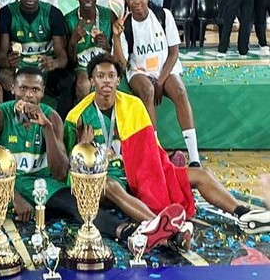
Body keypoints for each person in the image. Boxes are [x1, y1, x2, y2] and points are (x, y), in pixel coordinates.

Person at [0, 66, 181, 254]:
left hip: (43, 185)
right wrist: (12, 196)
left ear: (43, 93)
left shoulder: (52, 117)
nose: (29, 95)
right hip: (4, 184)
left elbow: (60, 172)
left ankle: (132, 233)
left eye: (35, 90)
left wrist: (48, 130)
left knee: (80, 203)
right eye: (24, 89)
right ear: (14, 90)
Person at [66, 53, 270, 237]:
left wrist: (165, 165)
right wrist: (84, 148)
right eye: (100, 76)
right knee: (110, 185)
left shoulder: (133, 105)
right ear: (91, 80)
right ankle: (165, 227)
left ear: (118, 80)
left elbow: (150, 147)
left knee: (201, 174)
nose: (106, 81)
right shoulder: (77, 116)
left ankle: (244, 214)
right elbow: (69, 168)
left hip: (141, 172)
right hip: (110, 179)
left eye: (111, 76)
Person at [112, 0, 201, 166]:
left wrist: (160, 81)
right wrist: (117, 38)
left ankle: (194, 158)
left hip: (164, 68)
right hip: (139, 70)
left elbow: (174, 52)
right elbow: (122, 63)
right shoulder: (125, 25)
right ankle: (155, 153)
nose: (137, 1)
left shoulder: (163, 15)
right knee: (147, 90)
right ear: (126, 0)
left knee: (180, 91)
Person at [0, 0, 74, 119]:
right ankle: (12, 121)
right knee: (4, 77)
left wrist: (54, 63)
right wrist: (7, 61)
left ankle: (62, 122)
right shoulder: (7, 13)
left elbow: (63, 57)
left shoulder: (53, 14)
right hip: (19, 67)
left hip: (45, 68)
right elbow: (1, 55)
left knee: (67, 80)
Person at [65, 0, 114, 100]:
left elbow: (119, 50)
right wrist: (73, 42)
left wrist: (107, 46)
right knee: (83, 85)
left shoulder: (108, 15)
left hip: (105, 61)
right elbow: (70, 62)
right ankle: (86, 113)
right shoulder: (69, 20)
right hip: (82, 66)